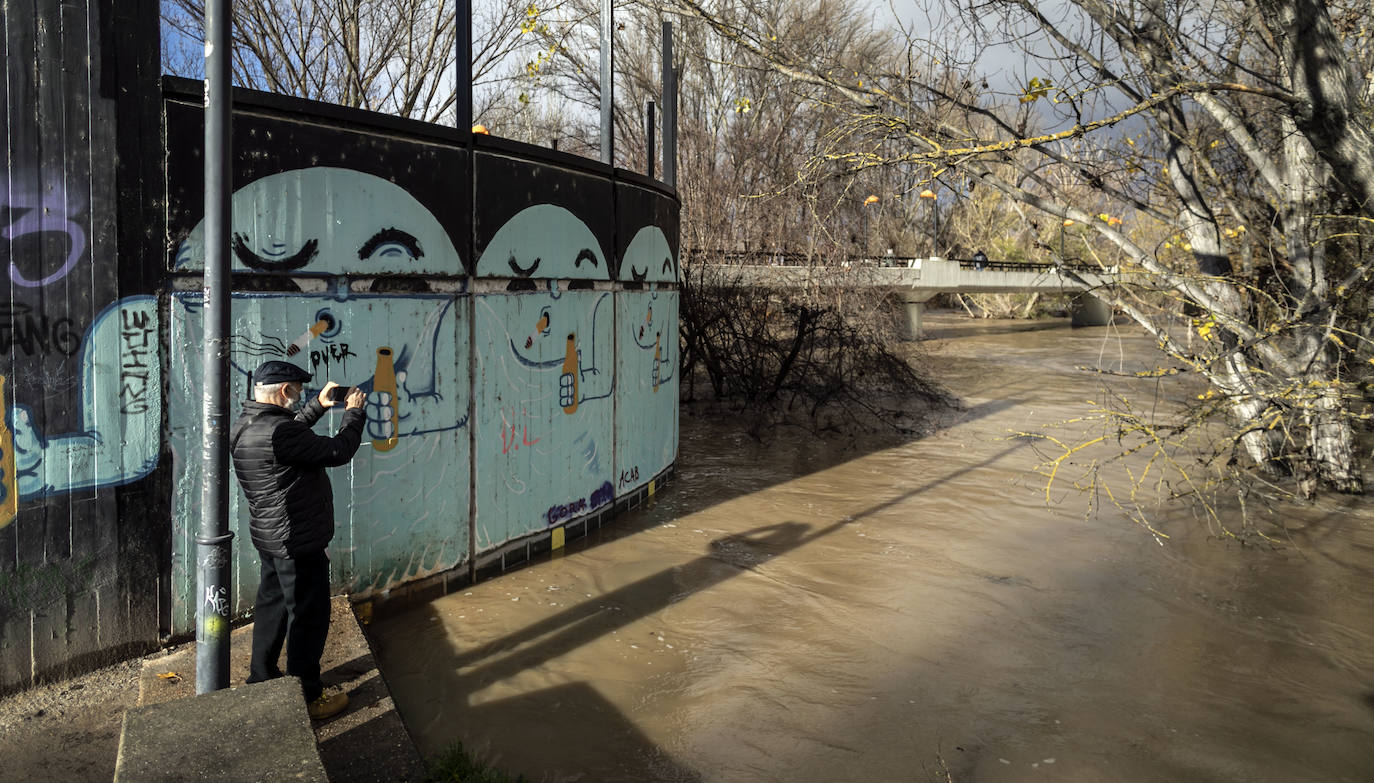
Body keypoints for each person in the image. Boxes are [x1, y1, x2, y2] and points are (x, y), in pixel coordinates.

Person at [230, 359, 367, 721]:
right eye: (299, 389)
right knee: (308, 618)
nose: (302, 393)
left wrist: (318, 407)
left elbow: (290, 439)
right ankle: (309, 696)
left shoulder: (249, 423)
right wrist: (353, 414)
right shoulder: (280, 433)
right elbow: (338, 451)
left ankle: (261, 677)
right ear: (285, 390)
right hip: (297, 541)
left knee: (272, 608)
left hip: (271, 538)